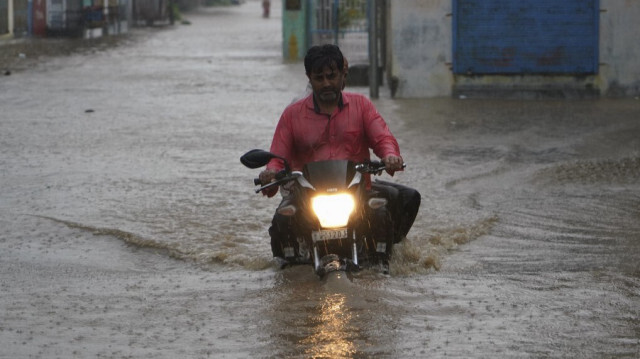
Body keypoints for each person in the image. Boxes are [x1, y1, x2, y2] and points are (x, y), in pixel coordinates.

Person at [259, 44, 420, 260]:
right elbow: (277, 158)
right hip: (309, 195)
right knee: (283, 219)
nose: (326, 83)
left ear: (342, 75)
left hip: (355, 192)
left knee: (388, 208)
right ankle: (288, 271)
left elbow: (382, 137)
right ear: (309, 78)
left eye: (331, 76)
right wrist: (270, 172)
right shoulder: (292, 115)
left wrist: (389, 155)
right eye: (319, 78)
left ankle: (386, 261)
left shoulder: (361, 105)